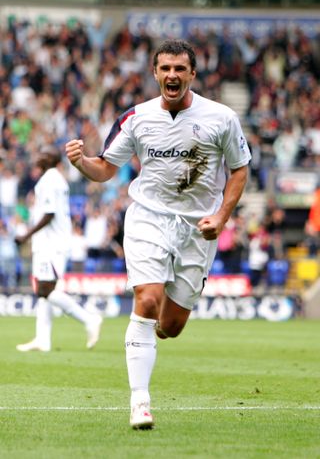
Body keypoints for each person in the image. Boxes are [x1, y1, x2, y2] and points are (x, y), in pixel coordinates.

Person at [65, 39, 251, 429]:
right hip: (148, 217)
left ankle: (162, 303)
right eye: (165, 68)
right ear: (154, 73)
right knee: (147, 301)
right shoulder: (135, 117)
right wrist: (82, 163)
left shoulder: (220, 118)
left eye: (180, 69)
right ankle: (140, 403)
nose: (172, 75)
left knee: (171, 327)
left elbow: (239, 169)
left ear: (192, 74)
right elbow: (105, 168)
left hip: (199, 229)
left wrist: (221, 216)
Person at [15, 146, 102, 352]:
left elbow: (49, 214)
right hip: (49, 243)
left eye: (44, 154)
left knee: (47, 290)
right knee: (43, 291)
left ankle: (89, 319)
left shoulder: (50, 180)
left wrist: (26, 235)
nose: (39, 156)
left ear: (52, 160)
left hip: (52, 244)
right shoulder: (53, 178)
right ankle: (42, 339)